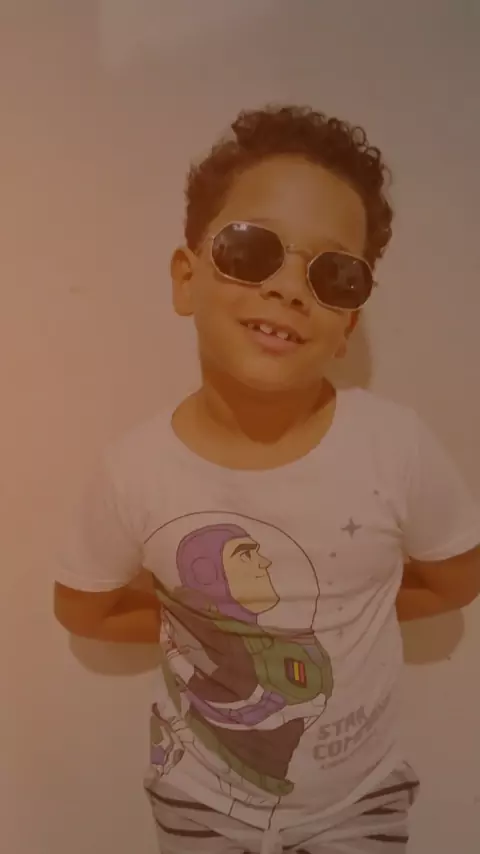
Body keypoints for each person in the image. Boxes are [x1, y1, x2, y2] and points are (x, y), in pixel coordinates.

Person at [54, 105, 480, 854]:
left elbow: (457, 580)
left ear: (348, 324)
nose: (288, 288)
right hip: (198, 803)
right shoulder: (134, 471)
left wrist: (351, 606)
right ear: (186, 278)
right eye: (251, 250)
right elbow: (84, 609)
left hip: (358, 803)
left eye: (334, 274)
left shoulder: (397, 449)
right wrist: (213, 629)